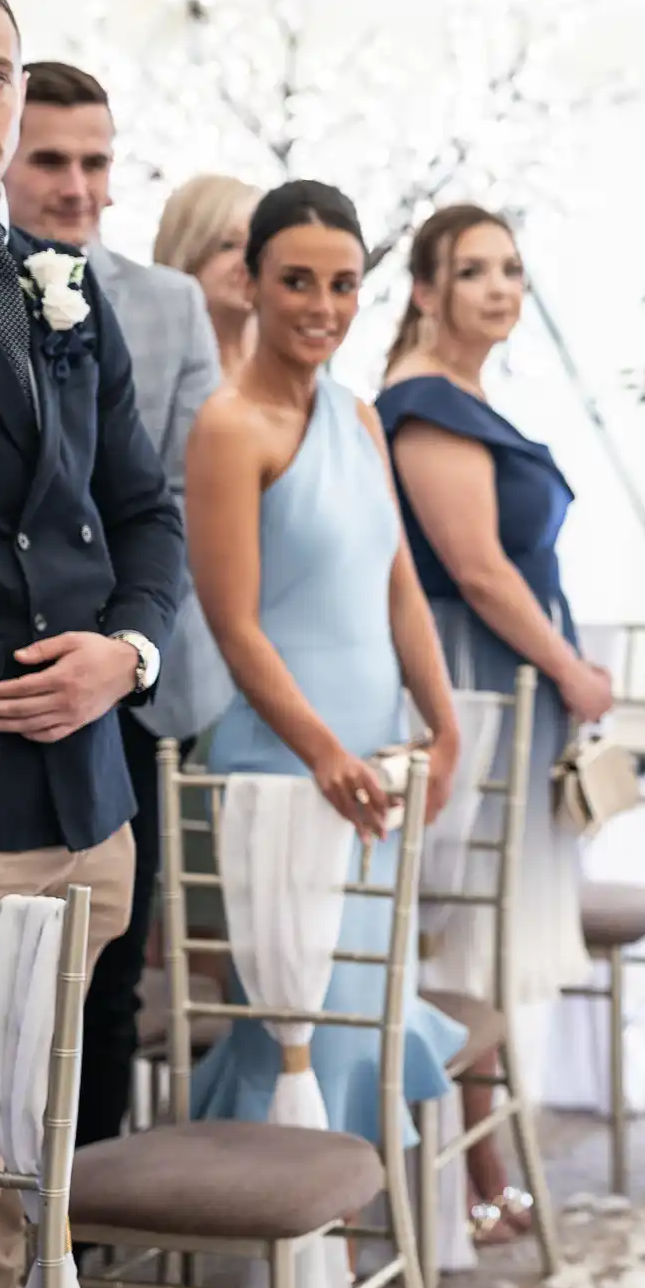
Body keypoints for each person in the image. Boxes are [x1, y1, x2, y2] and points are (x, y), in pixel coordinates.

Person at [183, 178, 470, 1146]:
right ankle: (277, 1259)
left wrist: (445, 721)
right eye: (297, 280)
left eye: (343, 285)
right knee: (294, 1023)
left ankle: (336, 1251)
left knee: (368, 1015)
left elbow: (397, 586)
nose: (322, 306)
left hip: (375, 759)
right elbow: (233, 625)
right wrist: (320, 752)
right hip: (282, 764)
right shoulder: (226, 427)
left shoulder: (358, 417)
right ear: (252, 282)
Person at [0, 0, 186, 1288]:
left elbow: (142, 511)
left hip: (87, 810)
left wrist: (130, 654)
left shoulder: (51, 287)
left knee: (30, 1184)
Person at [3, 57, 229, 1151]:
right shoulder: (23, 279)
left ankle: (72, 1235)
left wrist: (127, 645)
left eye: (97, 161)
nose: (78, 185)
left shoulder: (148, 300)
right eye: (51, 158)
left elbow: (162, 494)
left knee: (98, 1000)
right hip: (13, 704)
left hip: (120, 700)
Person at [376, 203, 608, 1241]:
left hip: (509, 678)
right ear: (425, 289)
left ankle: (484, 1174)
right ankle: (471, 1184)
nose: (501, 287)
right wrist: (567, 666)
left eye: (511, 268)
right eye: (474, 270)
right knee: (464, 925)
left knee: (488, 923)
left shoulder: (465, 394)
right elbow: (473, 568)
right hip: (469, 678)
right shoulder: (425, 402)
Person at [153, 173, 260, 381]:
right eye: (228, 246)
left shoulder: (292, 358)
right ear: (185, 253)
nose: (249, 261)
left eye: (257, 245)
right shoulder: (151, 364)